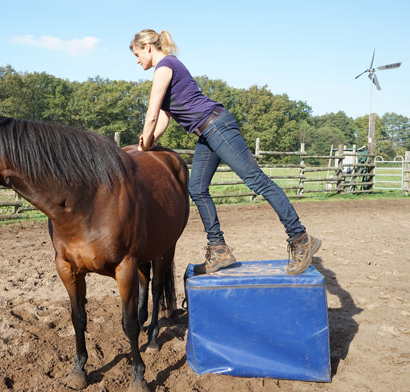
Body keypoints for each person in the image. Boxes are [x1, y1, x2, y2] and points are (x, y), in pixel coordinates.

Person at [129, 29, 321, 275]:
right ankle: (219, 250)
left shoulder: (164, 67)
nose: (137, 60)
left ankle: (301, 239)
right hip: (207, 133)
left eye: (136, 54)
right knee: (196, 187)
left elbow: (152, 113)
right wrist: (148, 144)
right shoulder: (168, 67)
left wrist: (143, 143)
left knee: (256, 181)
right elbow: (164, 118)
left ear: (147, 47)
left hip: (217, 126)